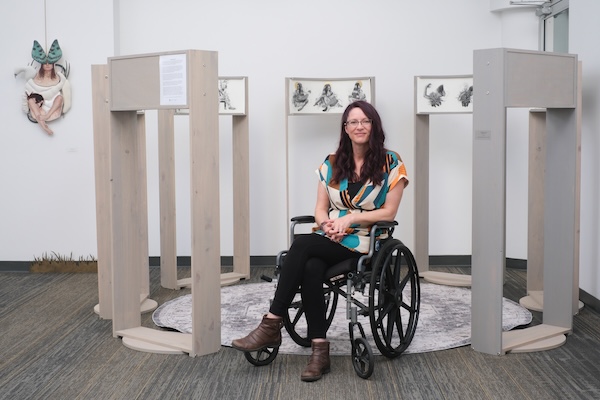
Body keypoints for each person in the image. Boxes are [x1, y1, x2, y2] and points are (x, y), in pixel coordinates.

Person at [231, 100, 409, 382]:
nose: (359, 126)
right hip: (330, 236)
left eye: (365, 121)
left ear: (374, 126)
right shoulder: (333, 162)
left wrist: (348, 220)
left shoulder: (392, 163)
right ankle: (319, 351)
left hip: (366, 240)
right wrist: (327, 224)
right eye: (353, 122)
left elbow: (389, 212)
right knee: (311, 267)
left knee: (300, 246)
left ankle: (272, 322)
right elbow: (319, 208)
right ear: (345, 129)